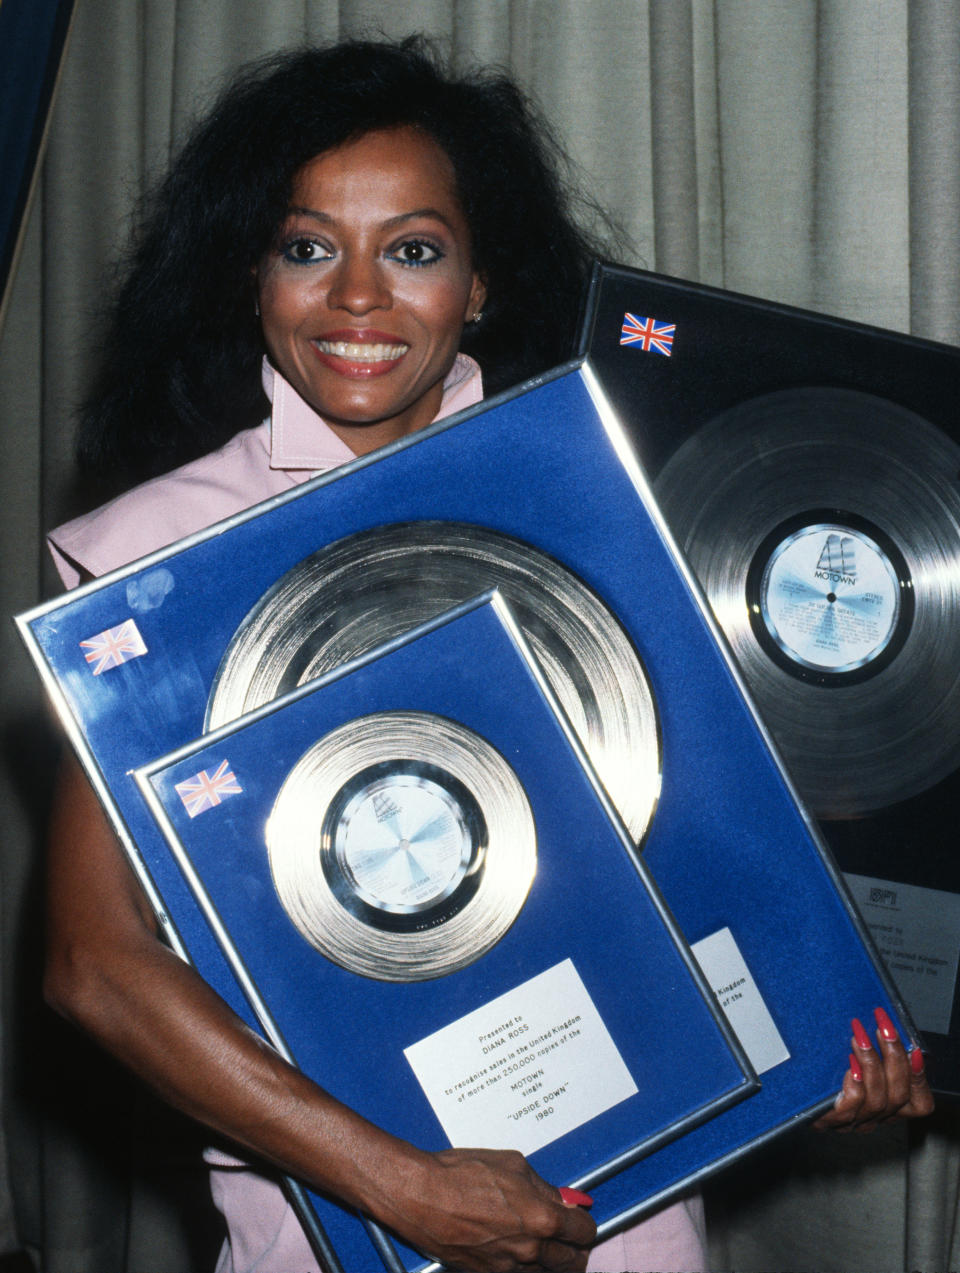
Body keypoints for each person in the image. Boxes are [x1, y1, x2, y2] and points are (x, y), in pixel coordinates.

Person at [43, 37, 933, 1273]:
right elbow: (94, 966)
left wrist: (813, 1046)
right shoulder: (161, 557)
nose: (358, 298)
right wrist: (399, 1185)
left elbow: (704, 858)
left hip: (625, 1219)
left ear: (480, 281)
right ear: (251, 271)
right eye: (309, 247)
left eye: (413, 250)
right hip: (336, 1224)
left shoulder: (597, 505)